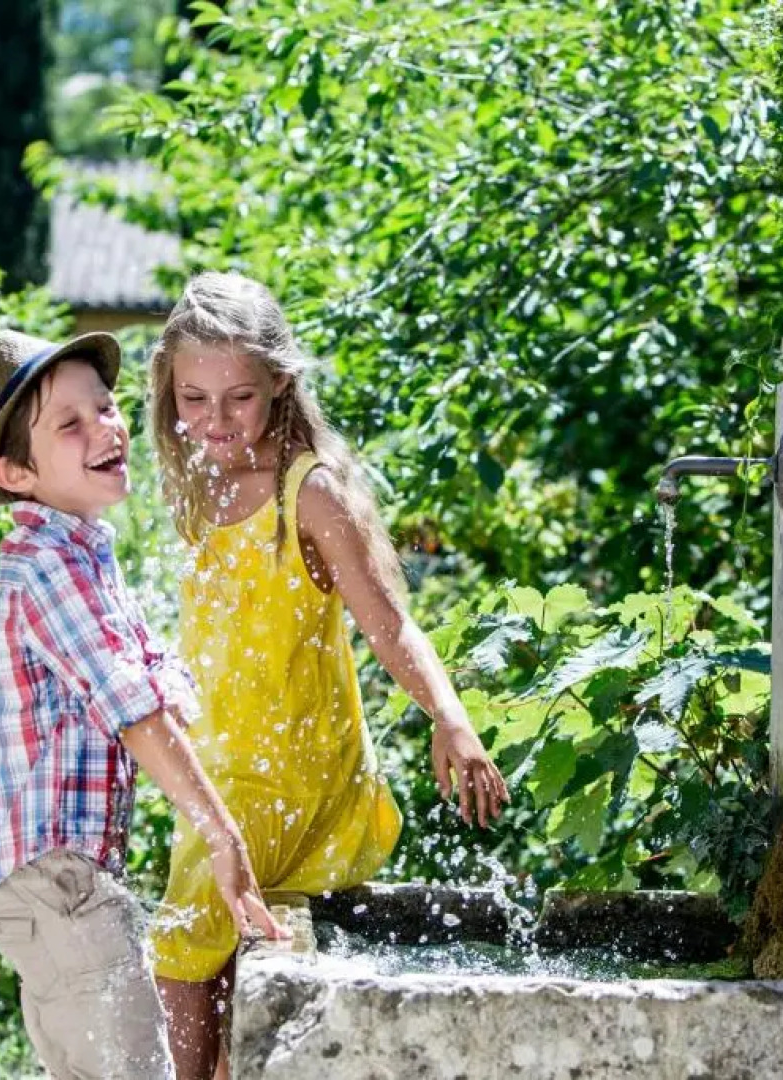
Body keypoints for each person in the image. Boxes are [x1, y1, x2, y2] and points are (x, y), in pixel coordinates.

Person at [145, 272, 512, 1079]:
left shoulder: (306, 492)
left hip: (289, 770)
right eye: (193, 399)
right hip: (220, 764)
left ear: (280, 381)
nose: (213, 421)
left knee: (181, 948)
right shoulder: (195, 478)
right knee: (213, 969)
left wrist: (450, 719)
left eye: (237, 398)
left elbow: (390, 623)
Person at [0, 328, 286, 1080]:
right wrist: (223, 836)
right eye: (69, 424)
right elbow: (135, 712)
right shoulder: (47, 568)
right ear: (15, 473)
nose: (104, 427)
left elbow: (157, 690)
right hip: (54, 888)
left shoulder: (80, 555)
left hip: (53, 888)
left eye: (104, 407)